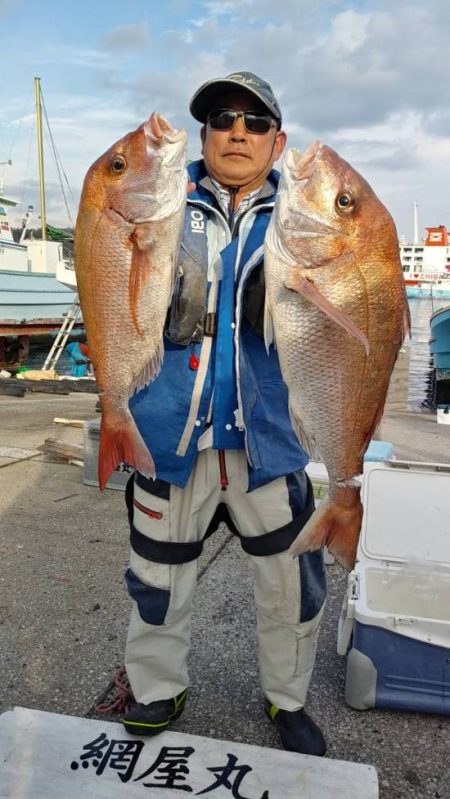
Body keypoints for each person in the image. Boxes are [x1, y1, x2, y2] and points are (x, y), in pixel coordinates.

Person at [121, 71, 327, 756]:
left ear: (278, 140)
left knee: (290, 582)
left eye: (255, 120)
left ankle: (286, 697)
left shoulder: (303, 217)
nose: (237, 130)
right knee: (156, 572)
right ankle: (156, 685)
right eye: (222, 118)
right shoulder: (158, 202)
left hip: (268, 438)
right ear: (205, 135)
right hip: (167, 430)